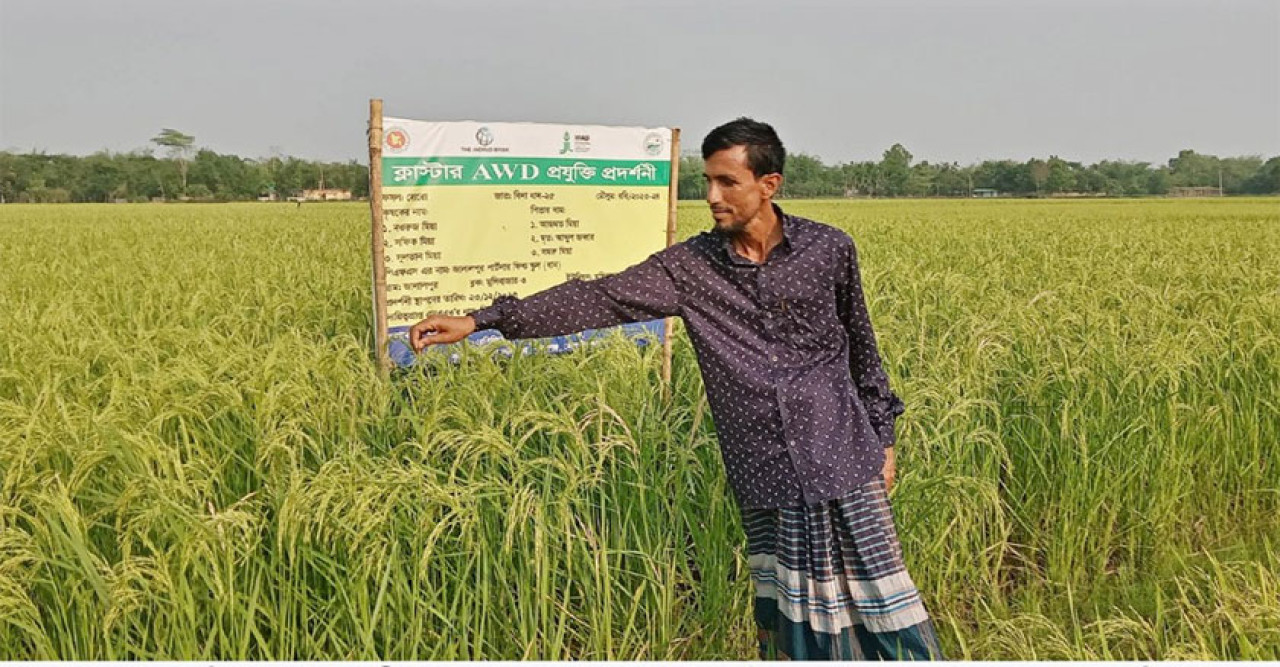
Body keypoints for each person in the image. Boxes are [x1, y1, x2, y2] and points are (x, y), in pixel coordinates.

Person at [409, 117, 945, 661]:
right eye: (706, 182)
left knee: (885, 605)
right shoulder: (691, 268)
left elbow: (861, 346)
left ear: (769, 184)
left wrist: (884, 437)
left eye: (726, 182)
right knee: (797, 619)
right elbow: (599, 298)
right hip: (767, 469)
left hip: (844, 456)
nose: (711, 196)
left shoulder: (827, 249)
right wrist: (483, 320)